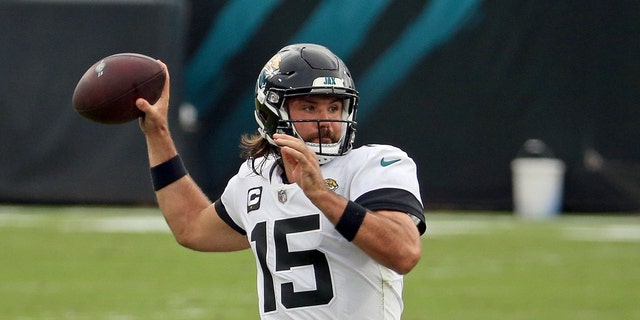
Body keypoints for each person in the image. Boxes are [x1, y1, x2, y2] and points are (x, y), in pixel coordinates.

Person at [136, 43, 426, 319]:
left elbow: (404, 253)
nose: (326, 121)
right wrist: (158, 134)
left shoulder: (374, 165)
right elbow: (190, 226)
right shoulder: (256, 177)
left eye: (335, 108)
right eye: (310, 108)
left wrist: (321, 195)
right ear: (272, 113)